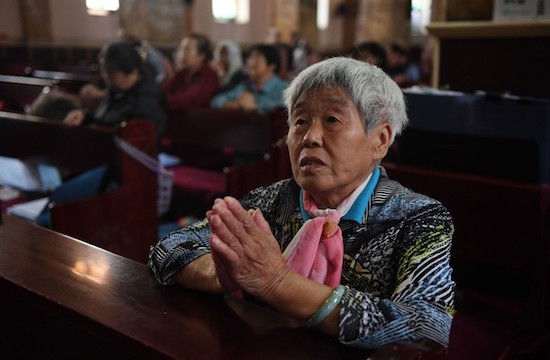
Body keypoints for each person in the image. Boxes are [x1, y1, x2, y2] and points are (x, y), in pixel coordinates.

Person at [148, 57, 455, 350]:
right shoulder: (270, 201)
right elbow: (168, 248)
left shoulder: (418, 219)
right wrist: (219, 273)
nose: (310, 137)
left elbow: (427, 329)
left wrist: (277, 282)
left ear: (381, 140)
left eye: (332, 120)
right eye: (300, 121)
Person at [63, 41, 166, 143]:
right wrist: (84, 117)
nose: (106, 78)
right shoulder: (116, 90)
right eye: (104, 72)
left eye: (110, 74)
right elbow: (104, 121)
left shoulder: (146, 99)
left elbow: (146, 140)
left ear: (132, 73)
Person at [210, 44, 289, 115]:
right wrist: (232, 104)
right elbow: (216, 101)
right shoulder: (246, 85)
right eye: (250, 58)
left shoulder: (284, 88)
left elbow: (283, 109)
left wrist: (256, 107)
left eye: (256, 59)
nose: (250, 63)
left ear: (271, 66)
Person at [162, 33, 219, 111]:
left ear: (201, 56)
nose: (182, 54)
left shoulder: (209, 76)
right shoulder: (183, 73)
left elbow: (189, 99)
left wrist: (166, 100)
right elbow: (165, 90)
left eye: (187, 50)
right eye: (181, 49)